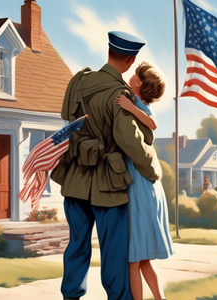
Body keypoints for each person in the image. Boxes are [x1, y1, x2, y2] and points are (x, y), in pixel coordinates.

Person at [51, 31, 162, 300]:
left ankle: (71, 296)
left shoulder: (78, 81)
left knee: (77, 244)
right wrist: (153, 170)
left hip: (76, 179)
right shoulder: (118, 93)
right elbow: (130, 141)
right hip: (108, 185)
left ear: (110, 51)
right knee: (114, 250)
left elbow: (68, 120)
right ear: (130, 59)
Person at [114, 62, 174, 300]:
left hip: (139, 184)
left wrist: (130, 106)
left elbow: (152, 122)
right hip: (143, 182)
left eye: (135, 75)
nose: (131, 76)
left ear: (139, 83)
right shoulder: (129, 94)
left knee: (134, 259)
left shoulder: (139, 103)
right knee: (142, 258)